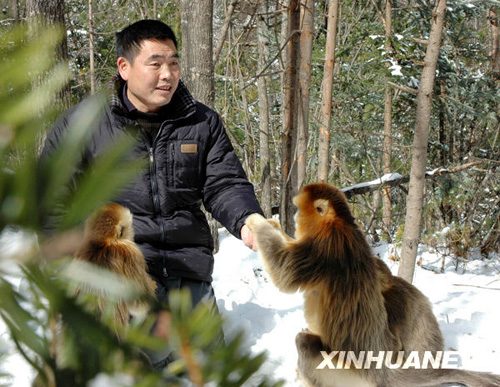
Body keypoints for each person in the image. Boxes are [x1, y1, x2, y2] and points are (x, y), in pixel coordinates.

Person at [40, 19, 263, 369]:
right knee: (131, 368)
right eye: (155, 63)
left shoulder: (201, 122)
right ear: (124, 68)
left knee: (206, 370)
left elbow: (224, 183)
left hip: (187, 268)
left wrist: (248, 220)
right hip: (121, 276)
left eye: (173, 62)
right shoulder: (83, 124)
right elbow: (51, 200)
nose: (167, 74)